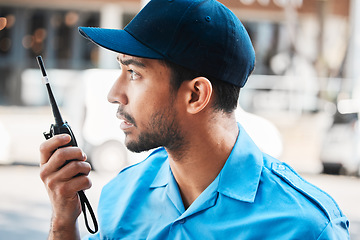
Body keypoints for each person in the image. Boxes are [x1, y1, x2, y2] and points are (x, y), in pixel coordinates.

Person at [39, 0, 350, 239]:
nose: (114, 93)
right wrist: (64, 223)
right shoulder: (121, 196)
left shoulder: (304, 226)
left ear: (196, 95)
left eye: (134, 73)